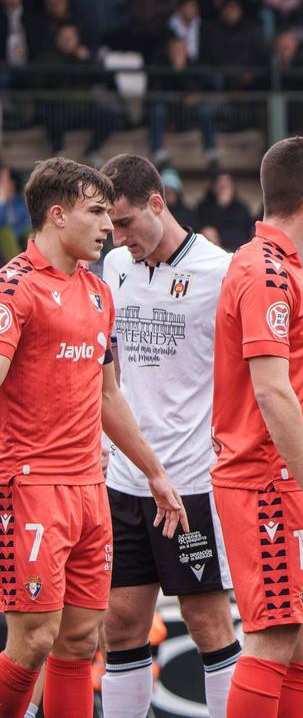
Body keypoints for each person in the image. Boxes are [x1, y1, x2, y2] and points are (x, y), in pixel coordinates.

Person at [0, 158, 187, 717]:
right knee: (33, 639)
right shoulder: (15, 288)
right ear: (57, 216)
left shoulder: (100, 292)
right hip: (31, 487)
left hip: (90, 489)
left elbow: (107, 397)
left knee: (81, 640)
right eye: (98, 212)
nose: (109, 225)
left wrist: (154, 472)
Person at [97, 154, 240, 717]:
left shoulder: (221, 270)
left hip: (191, 481)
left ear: (158, 203)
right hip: (127, 478)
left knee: (208, 623)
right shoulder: (114, 266)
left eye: (127, 222)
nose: (121, 236)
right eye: (112, 227)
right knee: (121, 622)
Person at [209, 138, 303, 714]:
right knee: (274, 635)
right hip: (268, 481)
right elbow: (270, 388)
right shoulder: (264, 270)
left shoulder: (282, 264)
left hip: (289, 479)